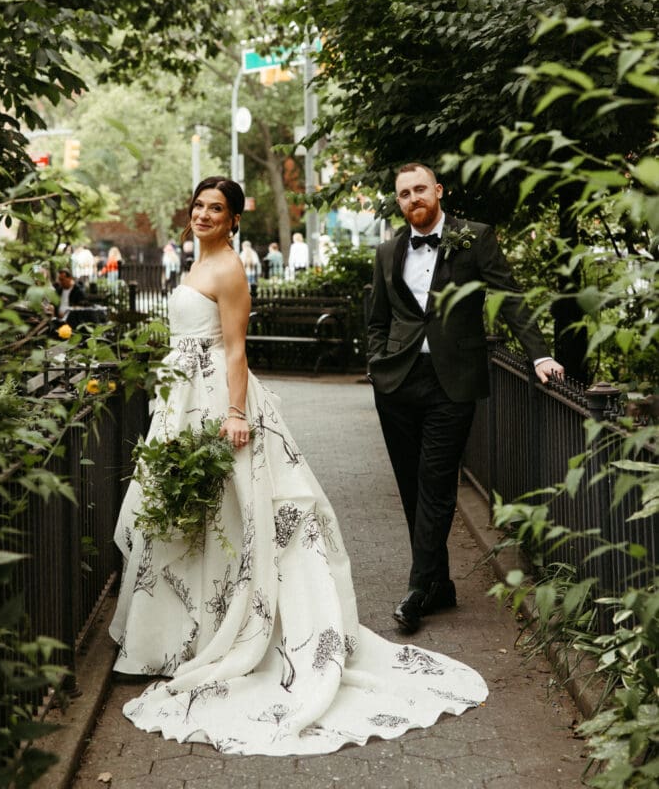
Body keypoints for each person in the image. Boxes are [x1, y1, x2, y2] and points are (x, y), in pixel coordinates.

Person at [109, 176, 487, 757]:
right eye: (199, 206)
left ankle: (230, 632)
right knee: (194, 519)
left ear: (235, 220)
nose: (205, 215)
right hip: (181, 400)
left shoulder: (230, 268)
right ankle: (181, 637)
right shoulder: (194, 259)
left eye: (217, 209)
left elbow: (235, 348)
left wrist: (235, 414)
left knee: (235, 519)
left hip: (218, 402)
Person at [367, 163, 565, 635]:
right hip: (397, 381)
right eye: (404, 193)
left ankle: (417, 590)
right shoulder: (388, 249)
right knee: (411, 486)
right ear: (398, 201)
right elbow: (377, 317)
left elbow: (510, 298)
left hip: (452, 382)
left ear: (438, 191)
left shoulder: (474, 237)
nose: (413, 198)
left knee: (436, 482)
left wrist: (539, 356)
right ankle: (440, 585)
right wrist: (377, 364)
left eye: (420, 189)